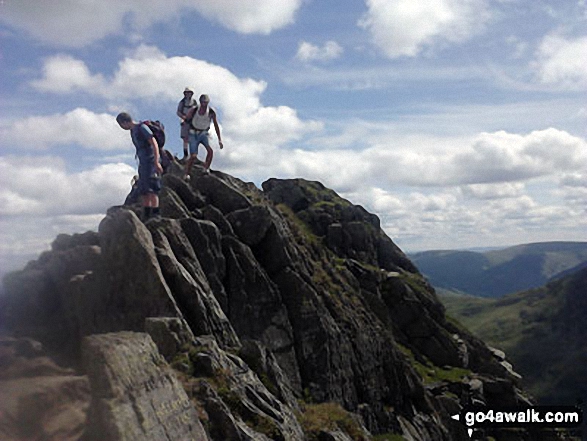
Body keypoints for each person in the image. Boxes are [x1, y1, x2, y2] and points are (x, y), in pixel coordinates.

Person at [116, 112, 163, 220]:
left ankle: (156, 215)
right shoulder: (133, 131)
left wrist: (156, 161)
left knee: (153, 188)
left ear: (125, 122)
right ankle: (147, 214)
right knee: (144, 189)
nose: (122, 128)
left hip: (150, 161)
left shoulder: (142, 127)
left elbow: (153, 142)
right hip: (143, 163)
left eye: (121, 125)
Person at [183, 94, 223, 181]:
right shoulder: (194, 110)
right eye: (202, 103)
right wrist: (185, 136)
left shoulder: (211, 112)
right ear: (200, 102)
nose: (204, 105)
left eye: (206, 103)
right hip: (193, 133)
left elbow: (216, 125)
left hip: (204, 133)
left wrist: (219, 139)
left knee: (210, 151)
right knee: (193, 156)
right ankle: (186, 173)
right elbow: (186, 122)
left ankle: (206, 168)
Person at [176, 87, 196, 161]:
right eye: (187, 93)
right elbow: (178, 112)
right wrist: (183, 117)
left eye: (190, 93)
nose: (188, 94)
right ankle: (185, 155)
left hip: (192, 122)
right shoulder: (182, 102)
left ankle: (193, 155)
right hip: (185, 121)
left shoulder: (194, 102)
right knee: (185, 139)